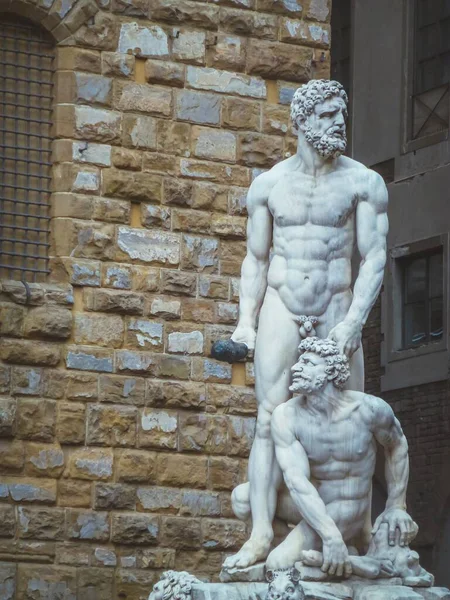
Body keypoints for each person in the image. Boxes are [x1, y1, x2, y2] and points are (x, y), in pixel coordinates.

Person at [223, 79, 389, 569]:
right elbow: (254, 260)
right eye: (326, 115)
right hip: (282, 306)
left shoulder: (363, 182)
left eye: (341, 113)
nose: (338, 122)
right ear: (300, 121)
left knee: (349, 420)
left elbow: (375, 258)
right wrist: (244, 325)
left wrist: (354, 323)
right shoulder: (269, 185)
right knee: (268, 420)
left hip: (338, 308)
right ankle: (258, 534)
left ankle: (345, 533)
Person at [266, 337, 416, 573]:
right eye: (297, 362)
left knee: (278, 564)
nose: (295, 368)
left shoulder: (370, 410)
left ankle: (346, 559)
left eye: (306, 363)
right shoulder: (286, 416)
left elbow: (397, 445)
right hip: (312, 501)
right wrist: (330, 536)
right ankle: (336, 553)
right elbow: (297, 482)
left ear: (329, 370)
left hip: (346, 506)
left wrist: (396, 504)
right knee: (242, 499)